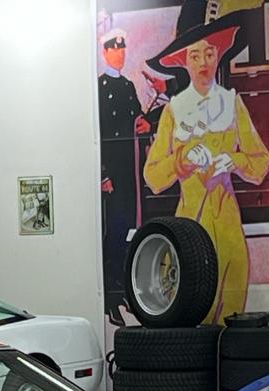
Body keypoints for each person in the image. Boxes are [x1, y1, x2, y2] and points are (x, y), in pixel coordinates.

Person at [143, 2, 269, 325]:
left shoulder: (232, 103)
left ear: (219, 56)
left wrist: (236, 160)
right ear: (183, 61)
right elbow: (153, 175)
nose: (203, 62)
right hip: (189, 224)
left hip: (228, 222)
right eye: (195, 55)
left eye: (209, 53)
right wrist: (182, 160)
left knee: (232, 310)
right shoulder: (174, 110)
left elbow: (260, 162)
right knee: (192, 312)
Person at [98, 28, 150, 310]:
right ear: (104, 52)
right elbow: (96, 135)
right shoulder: (98, 88)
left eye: (123, 48)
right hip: (113, 174)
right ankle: (111, 288)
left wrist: (146, 124)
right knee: (114, 230)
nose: (120, 53)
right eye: (115, 48)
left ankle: (122, 283)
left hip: (130, 170)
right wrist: (102, 173)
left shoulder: (128, 86)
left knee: (128, 226)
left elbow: (138, 117)